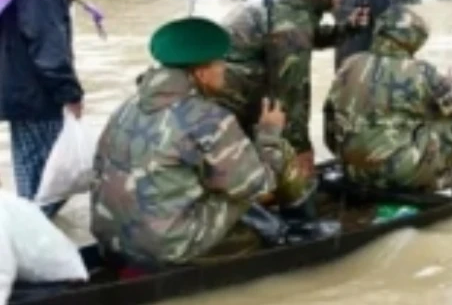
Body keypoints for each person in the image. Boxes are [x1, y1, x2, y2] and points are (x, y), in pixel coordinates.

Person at [90, 17, 312, 268]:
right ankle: (300, 226)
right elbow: (257, 185)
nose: (225, 71)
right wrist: (270, 134)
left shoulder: (127, 105)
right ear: (202, 73)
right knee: (266, 168)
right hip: (166, 249)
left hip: (110, 239)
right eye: (221, 64)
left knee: (214, 178)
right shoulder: (208, 119)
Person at [212, 0, 368, 179]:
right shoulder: (290, 22)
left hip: (226, 86)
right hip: (231, 94)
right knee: (270, 153)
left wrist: (347, 28)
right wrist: (300, 148)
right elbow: (291, 92)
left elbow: (308, 35)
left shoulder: (289, 7)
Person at [324, 5, 452, 193]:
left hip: (352, 171)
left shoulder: (349, 63)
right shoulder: (421, 71)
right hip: (399, 175)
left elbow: (329, 119)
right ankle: (440, 178)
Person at [0, 0, 82, 217]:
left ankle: (24, 240)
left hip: (15, 89)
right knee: (51, 185)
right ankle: (33, 248)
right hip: (38, 92)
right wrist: (69, 92)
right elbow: (45, 39)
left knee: (32, 178)